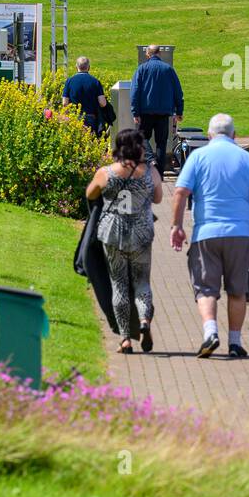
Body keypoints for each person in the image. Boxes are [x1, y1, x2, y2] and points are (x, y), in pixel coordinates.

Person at [171, 113, 249, 358]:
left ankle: (210, 333)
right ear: (235, 136)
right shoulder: (247, 159)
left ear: (209, 135)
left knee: (206, 289)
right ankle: (235, 342)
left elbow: (180, 192)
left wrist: (176, 226)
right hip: (239, 233)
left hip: (206, 233)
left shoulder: (198, 156)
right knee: (237, 291)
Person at [86, 129, 162, 354]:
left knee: (118, 284)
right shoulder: (150, 172)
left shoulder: (106, 172)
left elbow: (90, 193)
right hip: (141, 234)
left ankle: (126, 339)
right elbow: (158, 198)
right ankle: (145, 321)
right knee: (142, 283)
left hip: (113, 234)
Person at [130, 44, 184, 171]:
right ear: (159, 53)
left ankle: (150, 159)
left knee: (141, 137)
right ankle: (159, 174)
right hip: (164, 113)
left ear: (147, 54)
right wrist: (179, 111)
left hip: (146, 112)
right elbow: (178, 92)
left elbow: (135, 92)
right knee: (161, 143)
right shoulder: (169, 69)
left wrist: (135, 112)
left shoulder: (141, 69)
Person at [62, 56, 109, 132]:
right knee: (91, 141)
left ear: (76, 67)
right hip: (91, 118)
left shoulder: (69, 81)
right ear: (89, 67)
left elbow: (64, 103)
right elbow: (102, 103)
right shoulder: (95, 82)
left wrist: (66, 117)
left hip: (74, 118)